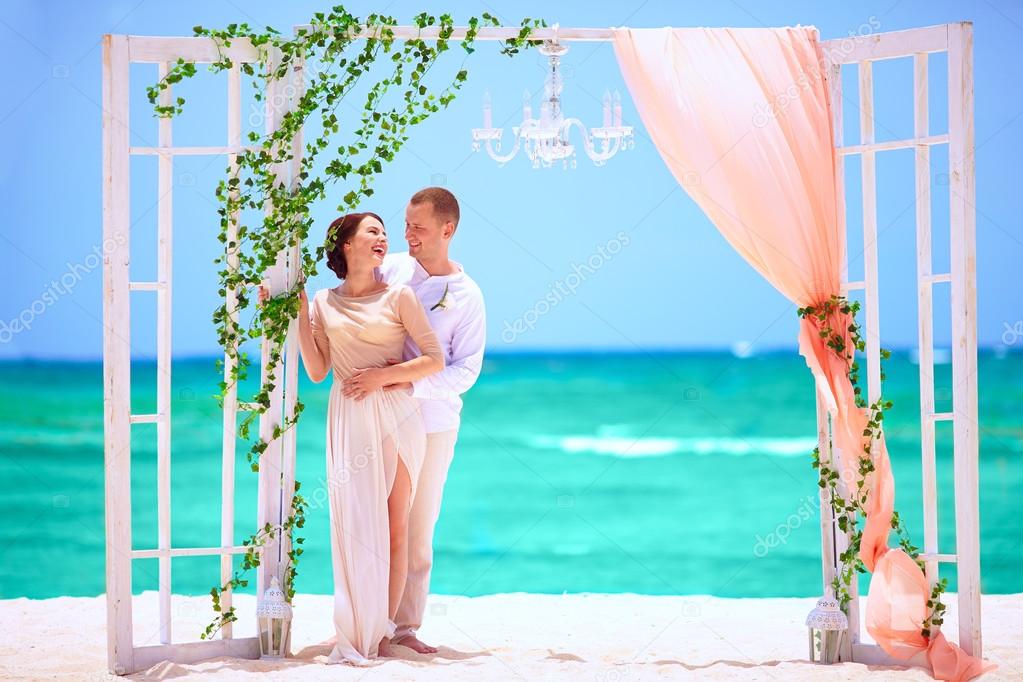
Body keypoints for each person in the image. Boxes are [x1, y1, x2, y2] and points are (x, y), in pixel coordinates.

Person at [262, 211, 444, 664]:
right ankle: (356, 622)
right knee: (356, 527)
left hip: (396, 417)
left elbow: (435, 359)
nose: (383, 238)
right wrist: (298, 315)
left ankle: (381, 632)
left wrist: (383, 377)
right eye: (373, 232)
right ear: (346, 245)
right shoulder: (324, 302)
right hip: (348, 418)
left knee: (394, 526)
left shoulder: (399, 296)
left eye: (385, 233)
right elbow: (319, 370)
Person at [349, 187, 486, 654]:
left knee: (417, 526)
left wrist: (408, 383)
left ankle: (404, 627)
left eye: (419, 228)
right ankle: (370, 620)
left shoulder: (468, 295)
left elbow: (466, 370)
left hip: (432, 421)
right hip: (378, 419)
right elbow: (352, 295)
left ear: (447, 230)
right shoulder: (394, 270)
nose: (407, 235)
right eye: (405, 225)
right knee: (373, 522)